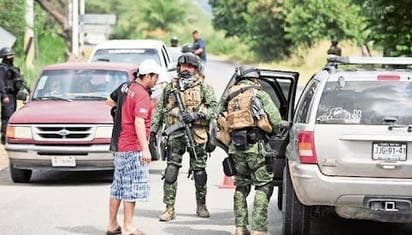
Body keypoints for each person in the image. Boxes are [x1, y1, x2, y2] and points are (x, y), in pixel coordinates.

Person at [150, 53, 217, 222]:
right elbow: (160, 110)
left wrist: (196, 115)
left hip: (197, 134)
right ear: (179, 67)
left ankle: (201, 205)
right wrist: (153, 131)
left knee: (200, 171)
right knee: (171, 170)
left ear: (196, 69)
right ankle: (169, 208)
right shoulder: (170, 87)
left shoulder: (204, 87)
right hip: (175, 133)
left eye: (190, 67)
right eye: (183, 66)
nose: (186, 69)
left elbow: (214, 109)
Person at [218, 65, 282, 235]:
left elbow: (218, 115)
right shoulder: (258, 93)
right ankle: (259, 229)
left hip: (235, 148)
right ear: (254, 78)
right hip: (256, 147)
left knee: (241, 187)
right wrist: (272, 130)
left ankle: (240, 227)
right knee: (263, 186)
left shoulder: (229, 95)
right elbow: (276, 120)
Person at [105, 59, 161, 235]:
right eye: (155, 77)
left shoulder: (126, 86)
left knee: (118, 187)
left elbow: (109, 101)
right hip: (133, 147)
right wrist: (145, 149)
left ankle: (112, 225)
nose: (156, 81)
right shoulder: (142, 94)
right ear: (148, 76)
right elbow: (139, 122)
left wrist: (122, 112)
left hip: (120, 145)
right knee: (132, 188)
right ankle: (128, 227)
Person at [0, 47, 26, 145]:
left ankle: (9, 135)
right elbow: (1, 83)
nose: (11, 57)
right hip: (7, 95)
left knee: (12, 115)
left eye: (12, 55)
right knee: (6, 116)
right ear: (4, 57)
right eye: (9, 55)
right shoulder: (2, 69)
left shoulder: (13, 68)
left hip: (13, 95)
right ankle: (4, 136)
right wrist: (3, 96)